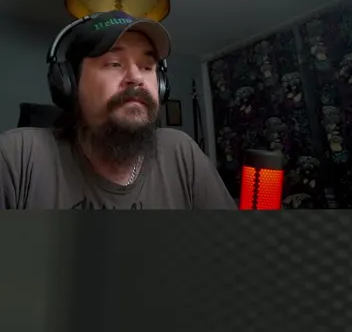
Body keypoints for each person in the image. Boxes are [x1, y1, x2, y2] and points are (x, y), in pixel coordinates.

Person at [0, 11, 235, 209]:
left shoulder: (182, 153)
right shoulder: (17, 158)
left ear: (162, 86)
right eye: (114, 63)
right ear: (69, 83)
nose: (136, 77)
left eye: (147, 66)